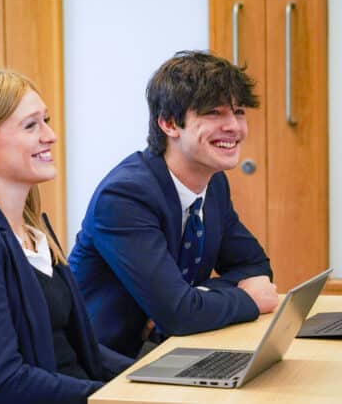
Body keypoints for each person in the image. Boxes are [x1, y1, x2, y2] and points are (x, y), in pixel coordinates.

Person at [0, 70, 133, 404]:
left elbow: (83, 351)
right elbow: (3, 386)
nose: (50, 135)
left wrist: (150, 380)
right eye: (31, 125)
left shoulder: (36, 233)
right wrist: (116, 398)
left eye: (46, 120)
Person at [69, 50, 279, 358]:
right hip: (107, 365)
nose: (234, 126)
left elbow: (255, 267)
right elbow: (180, 314)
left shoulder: (214, 183)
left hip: (172, 350)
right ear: (169, 123)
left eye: (238, 112)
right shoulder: (125, 196)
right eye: (214, 113)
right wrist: (243, 300)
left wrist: (196, 300)